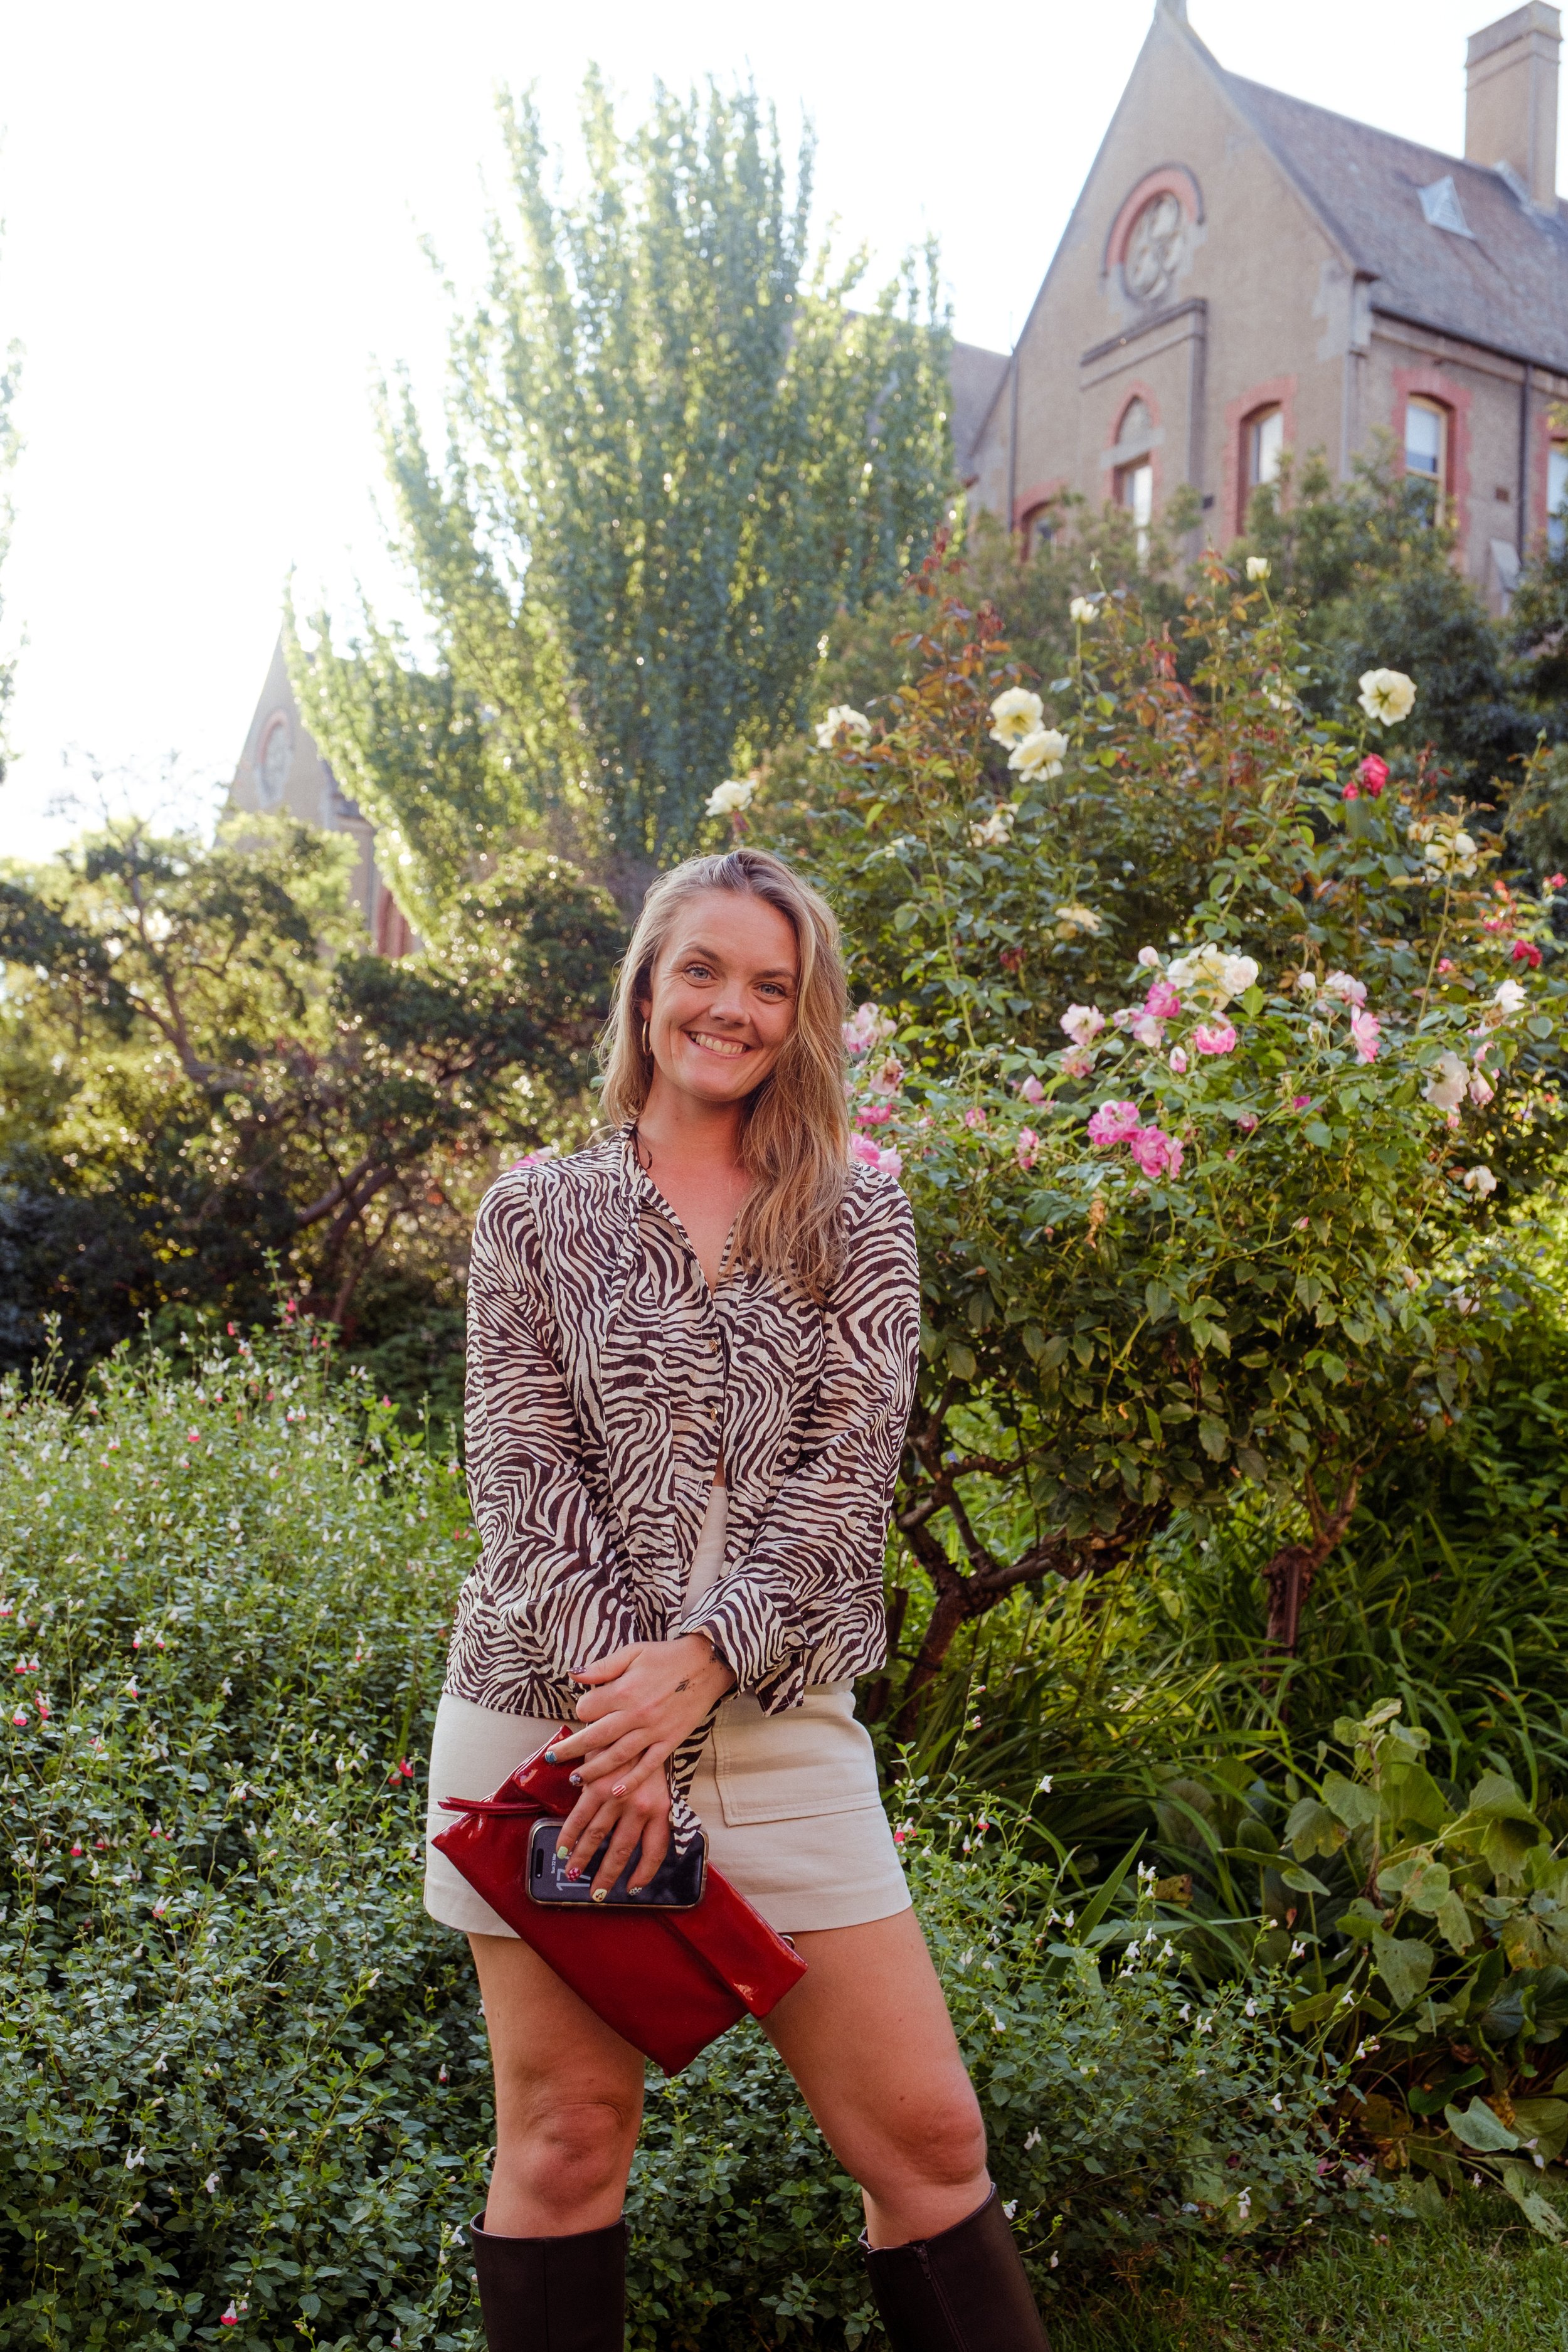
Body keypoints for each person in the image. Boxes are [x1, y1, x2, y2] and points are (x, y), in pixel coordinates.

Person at [423, 846, 1050, 2351]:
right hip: (553, 1734)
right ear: (646, 986)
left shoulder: (857, 1214)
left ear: (800, 1014)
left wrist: (696, 1673)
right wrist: (622, 1726)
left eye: (771, 985)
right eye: (701, 969)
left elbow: (845, 1487)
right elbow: (518, 1480)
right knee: (566, 2139)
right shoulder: (534, 1210)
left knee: (927, 2140)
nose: (731, 1008)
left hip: (778, 1722)